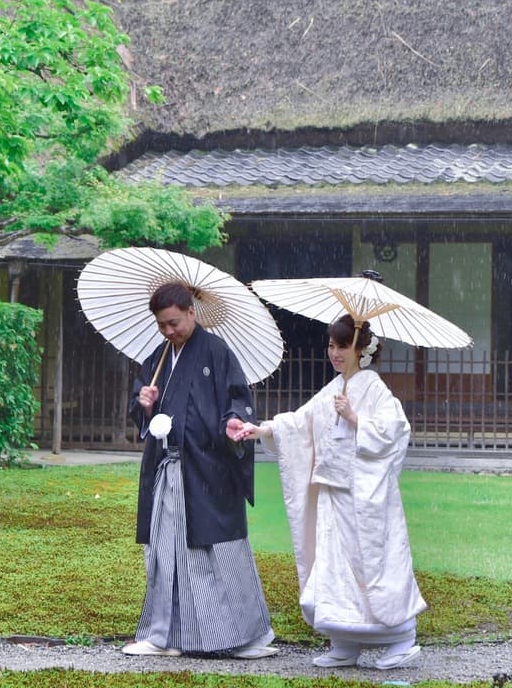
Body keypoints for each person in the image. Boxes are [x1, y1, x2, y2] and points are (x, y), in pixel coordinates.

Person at [230, 314, 426, 670]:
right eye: (332, 345)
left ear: (361, 350)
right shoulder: (333, 389)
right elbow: (301, 421)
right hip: (333, 494)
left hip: (364, 495)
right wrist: (262, 429)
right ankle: (344, 639)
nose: (335, 353)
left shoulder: (374, 388)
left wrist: (355, 418)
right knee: (334, 566)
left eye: (343, 346)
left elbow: (395, 429)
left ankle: (401, 637)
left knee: (372, 564)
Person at [122, 281, 278, 660]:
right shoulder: (158, 359)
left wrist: (233, 422)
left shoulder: (216, 352)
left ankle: (243, 637)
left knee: (217, 552)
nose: (168, 331)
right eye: (162, 325)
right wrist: (144, 403)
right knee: (165, 553)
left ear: (191, 312)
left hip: (209, 471)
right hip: (167, 470)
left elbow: (238, 399)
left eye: (174, 322)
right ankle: (165, 636)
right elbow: (143, 414)